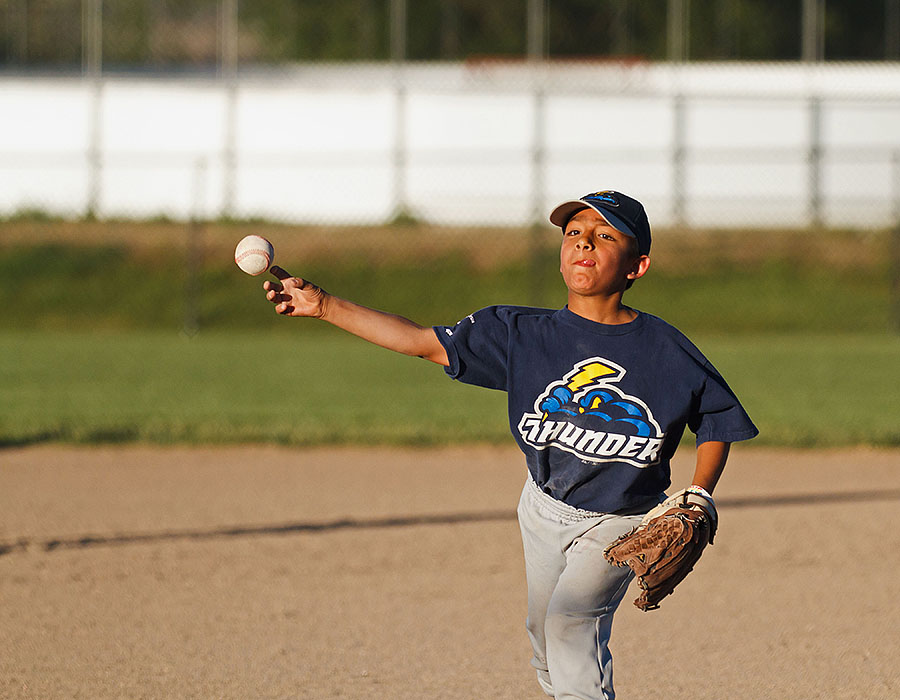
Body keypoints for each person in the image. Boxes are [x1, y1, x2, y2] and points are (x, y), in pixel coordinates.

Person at [262, 189, 758, 700]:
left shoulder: (666, 350)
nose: (583, 242)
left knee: (571, 625)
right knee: (545, 636)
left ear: (638, 265)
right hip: (543, 510)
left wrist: (699, 494)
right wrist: (324, 306)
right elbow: (418, 341)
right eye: (573, 233)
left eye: (605, 236)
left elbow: (717, 419)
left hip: (623, 519)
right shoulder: (520, 333)